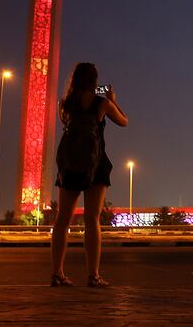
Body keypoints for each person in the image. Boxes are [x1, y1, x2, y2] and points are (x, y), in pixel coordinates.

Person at [51, 62, 128, 287]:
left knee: (62, 219)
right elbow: (124, 122)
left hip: (70, 164)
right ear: (95, 81)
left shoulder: (64, 103)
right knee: (92, 219)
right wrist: (112, 100)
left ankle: (57, 274)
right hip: (96, 164)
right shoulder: (101, 103)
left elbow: (65, 125)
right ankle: (93, 275)